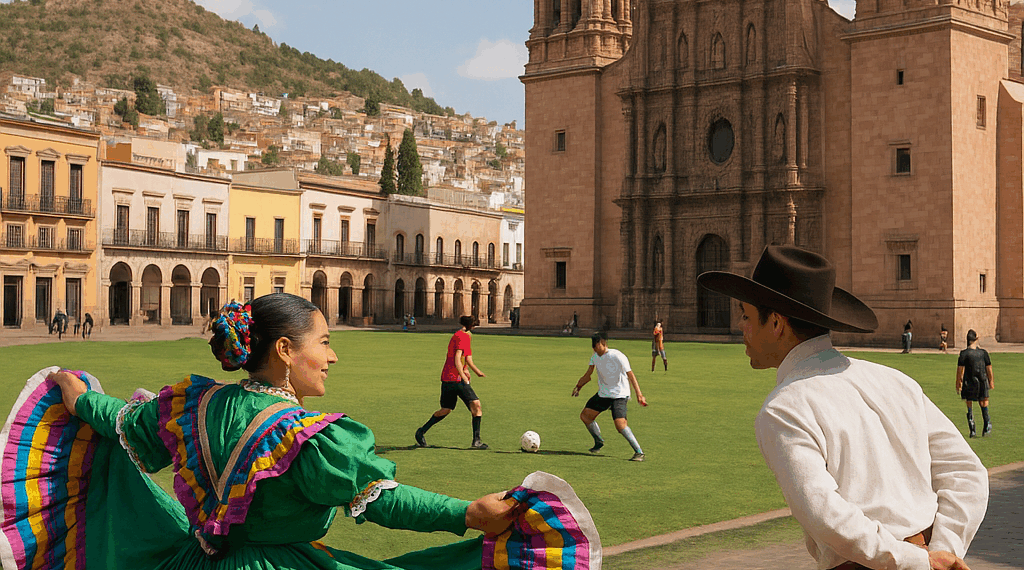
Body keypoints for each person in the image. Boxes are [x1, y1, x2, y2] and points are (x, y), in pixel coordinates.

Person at [3, 294, 514, 569]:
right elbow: (380, 502)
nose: (333, 356)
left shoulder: (195, 406)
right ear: (286, 351)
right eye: (325, 342)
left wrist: (76, 394)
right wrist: (467, 514)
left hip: (195, 561)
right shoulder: (309, 436)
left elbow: (122, 422)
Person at [697, 245, 988, 570]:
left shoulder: (784, 409)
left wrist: (915, 562)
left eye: (747, 315)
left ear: (776, 323)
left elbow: (824, 513)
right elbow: (966, 471)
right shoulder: (896, 382)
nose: (741, 326)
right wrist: (942, 551)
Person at [415, 315, 489, 449]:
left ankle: (421, 431)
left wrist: (476, 371)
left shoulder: (466, 335)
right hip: (455, 379)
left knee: (446, 409)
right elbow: (457, 358)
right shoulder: (462, 336)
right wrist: (463, 375)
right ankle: (476, 441)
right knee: (476, 406)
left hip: (448, 378)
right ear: (470, 325)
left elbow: (467, 358)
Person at [572, 332, 648, 461]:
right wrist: (578, 386)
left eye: (595, 345)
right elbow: (588, 375)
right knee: (585, 416)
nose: (594, 349)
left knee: (620, 425)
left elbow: (631, 375)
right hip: (604, 394)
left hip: (619, 394)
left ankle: (639, 452)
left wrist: (639, 395)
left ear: (602, 343)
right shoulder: (595, 357)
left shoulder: (617, 356)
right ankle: (599, 442)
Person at [956, 329, 994, 438]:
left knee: (969, 404)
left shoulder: (964, 354)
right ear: (976, 339)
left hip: (969, 381)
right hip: (982, 380)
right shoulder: (983, 353)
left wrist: (958, 383)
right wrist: (991, 381)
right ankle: (987, 426)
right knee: (984, 402)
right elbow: (989, 368)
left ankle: (972, 429)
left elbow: (960, 371)